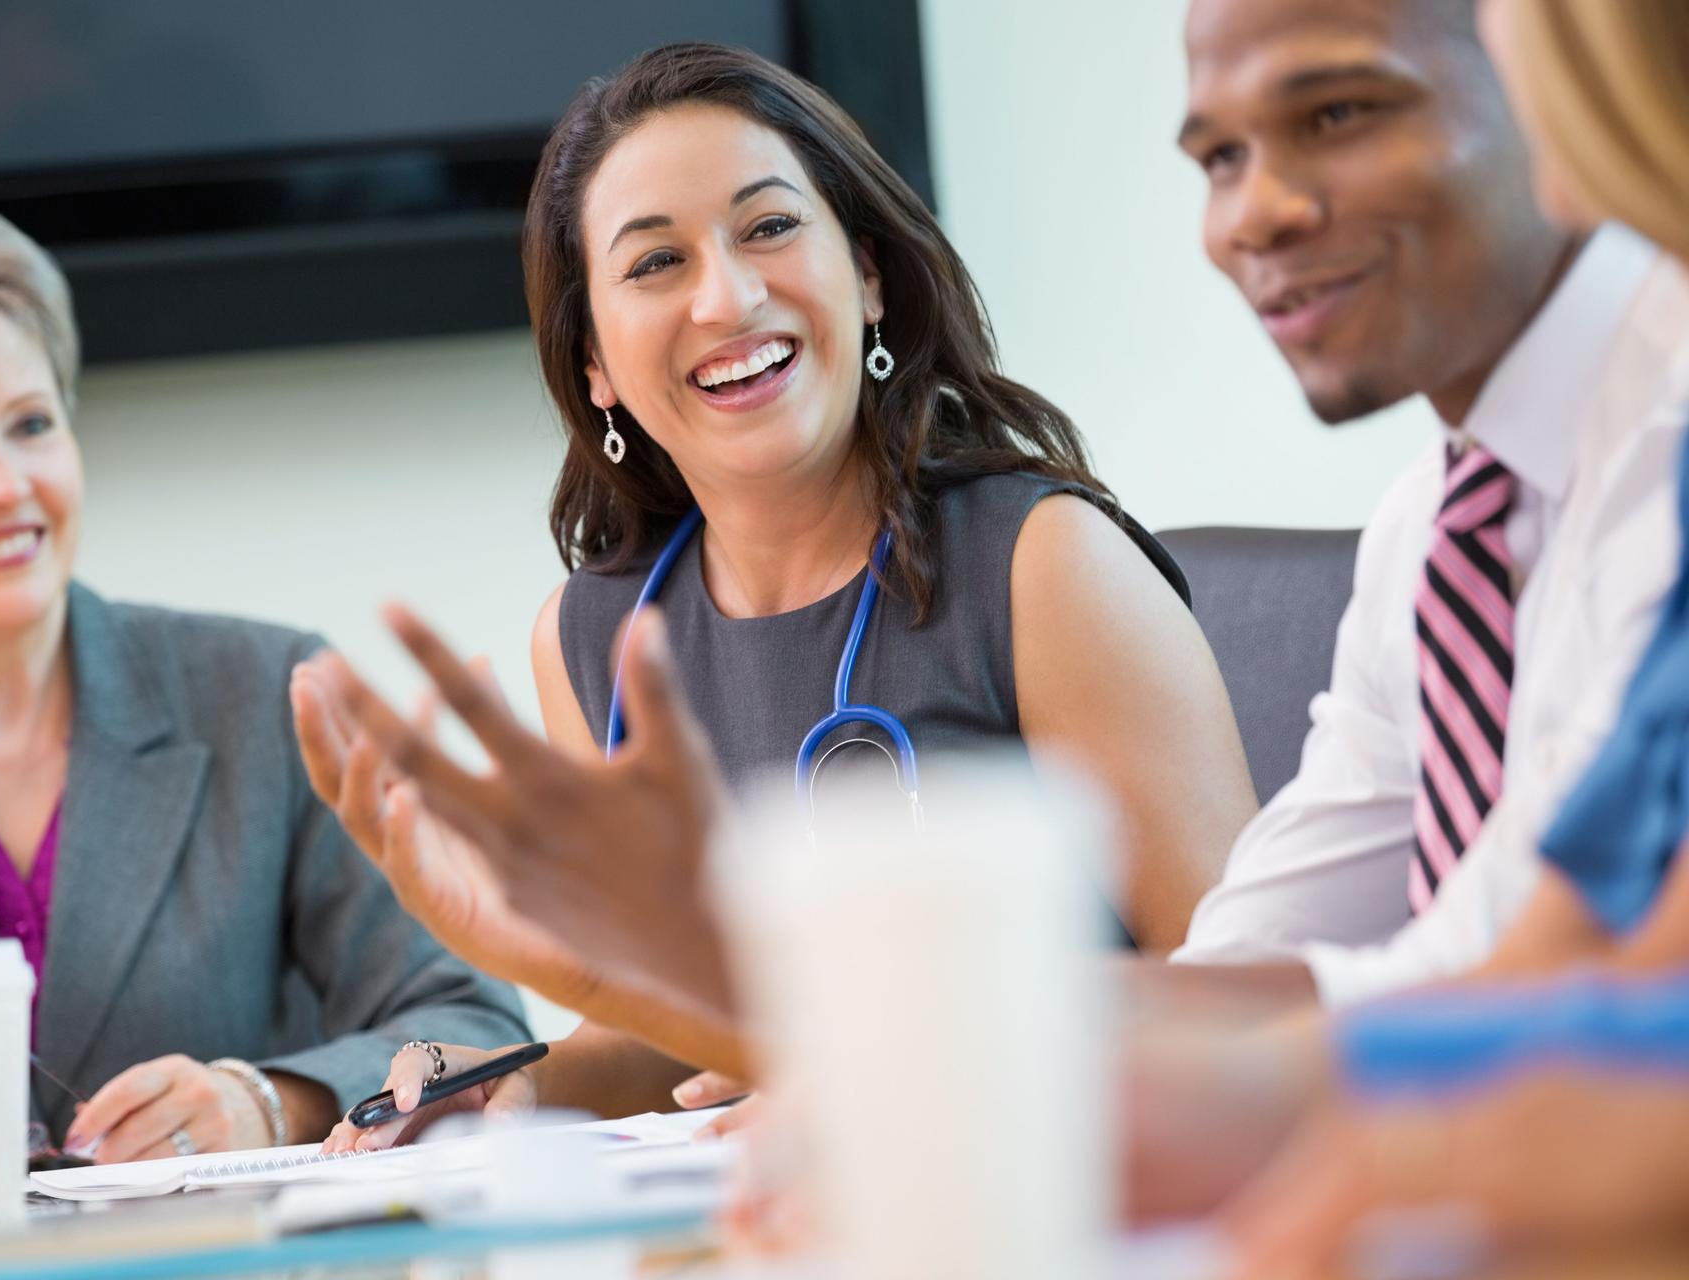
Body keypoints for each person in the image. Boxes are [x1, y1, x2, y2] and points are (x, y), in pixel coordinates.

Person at [296, 39, 1259, 1143]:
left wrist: (917, 1069)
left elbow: (1244, 999)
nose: (730, 296)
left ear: (869, 275)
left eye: (769, 227)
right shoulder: (593, 637)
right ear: (596, 361)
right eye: (655, 263)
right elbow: (695, 1036)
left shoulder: (1044, 562)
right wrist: (522, 1083)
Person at [0, 189, 528, 1193]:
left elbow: (475, 1030)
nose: (6, 484)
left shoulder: (262, 695)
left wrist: (272, 1098)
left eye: (30, 423)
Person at [1222, 0, 1689, 1265]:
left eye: (1338, 112)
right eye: (1216, 157)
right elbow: (1589, 944)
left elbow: (1545, 968)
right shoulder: (1426, 517)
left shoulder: (1668, 411)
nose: (1249, 216)